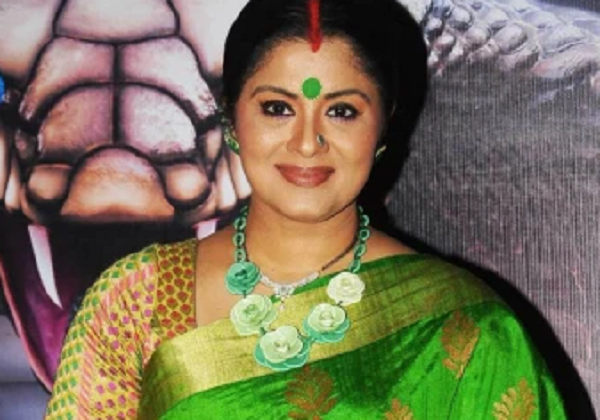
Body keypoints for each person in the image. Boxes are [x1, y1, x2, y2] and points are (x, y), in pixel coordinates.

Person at [44, 0, 566, 418]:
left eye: (342, 111)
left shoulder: (468, 324)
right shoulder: (135, 302)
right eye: (277, 108)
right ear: (231, 118)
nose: (307, 142)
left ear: (383, 127)